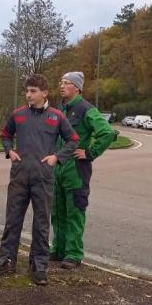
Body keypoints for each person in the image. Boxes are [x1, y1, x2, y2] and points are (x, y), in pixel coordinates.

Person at [0, 74, 79, 285]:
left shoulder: (56, 117)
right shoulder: (18, 115)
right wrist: (9, 151)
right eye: (27, 91)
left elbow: (72, 141)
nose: (29, 95)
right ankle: (6, 260)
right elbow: (5, 134)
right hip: (19, 176)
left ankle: (39, 265)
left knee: (42, 222)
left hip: (43, 178)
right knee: (12, 220)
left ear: (45, 93)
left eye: (33, 91)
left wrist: (57, 157)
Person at [51, 72, 115, 268]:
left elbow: (107, 133)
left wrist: (89, 153)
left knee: (75, 212)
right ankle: (58, 249)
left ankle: (73, 253)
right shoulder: (60, 109)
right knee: (57, 211)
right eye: (61, 82)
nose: (62, 86)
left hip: (76, 170)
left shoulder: (86, 109)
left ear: (77, 88)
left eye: (67, 83)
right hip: (59, 168)